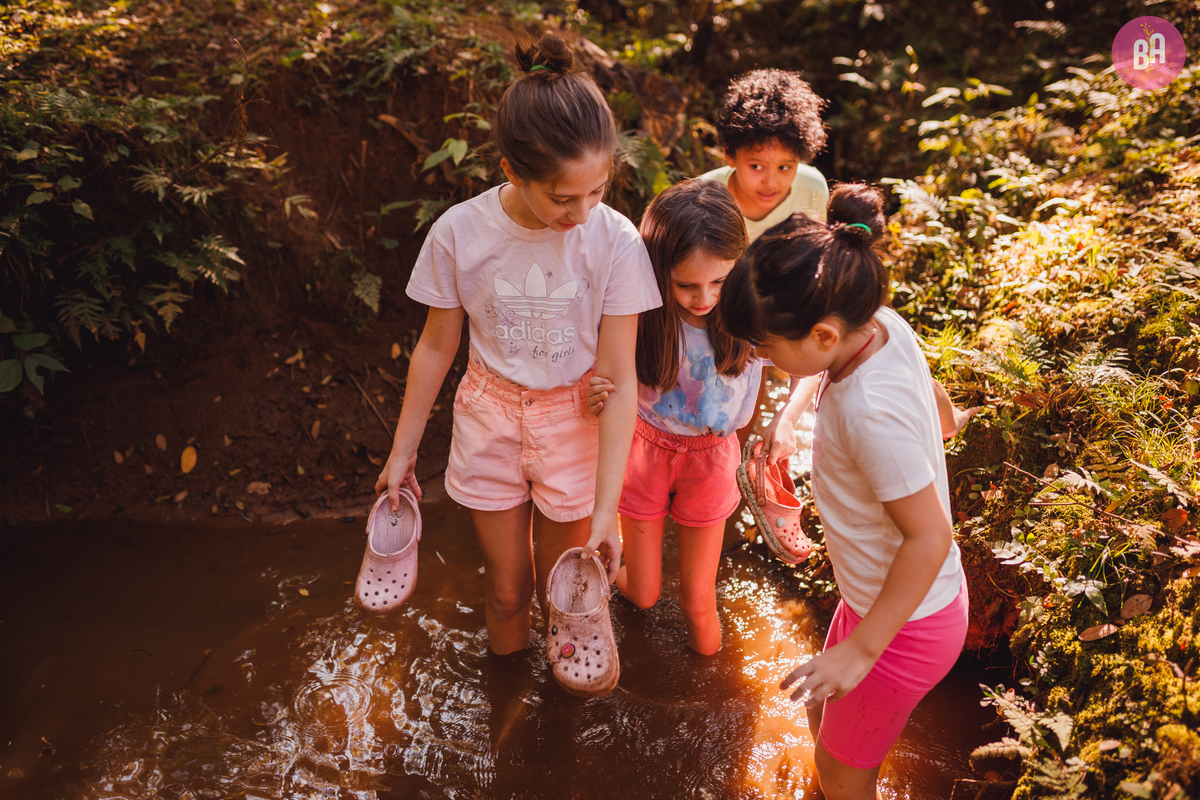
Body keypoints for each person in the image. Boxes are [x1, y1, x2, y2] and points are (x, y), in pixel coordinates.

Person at [375, 33, 660, 656]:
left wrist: (608, 511)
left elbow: (620, 378)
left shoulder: (614, 243)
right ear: (511, 170)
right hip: (490, 416)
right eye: (563, 198)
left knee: (570, 597)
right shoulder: (460, 233)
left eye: (598, 191)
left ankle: (557, 726)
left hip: (576, 421)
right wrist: (402, 454)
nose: (582, 213)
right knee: (508, 593)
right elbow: (434, 348)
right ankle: (509, 725)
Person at [720, 184, 969, 800]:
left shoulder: (866, 414)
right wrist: (949, 423)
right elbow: (935, 411)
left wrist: (860, 651)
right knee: (819, 719)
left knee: (840, 776)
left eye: (766, 347)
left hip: (906, 624)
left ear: (824, 336)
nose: (762, 358)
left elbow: (931, 535)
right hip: (880, 601)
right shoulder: (881, 324)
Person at [703, 69, 975, 463]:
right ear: (729, 156)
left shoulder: (811, 185)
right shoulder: (707, 196)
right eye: (756, 166)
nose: (771, 182)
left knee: (880, 347)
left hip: (795, 304)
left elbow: (825, 257)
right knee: (741, 398)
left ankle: (945, 420)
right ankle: (741, 468)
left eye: (786, 166)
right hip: (733, 309)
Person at [587, 178, 766, 655]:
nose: (704, 297)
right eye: (686, 285)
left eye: (719, 282)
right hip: (645, 448)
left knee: (698, 602)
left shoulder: (752, 318)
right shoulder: (639, 314)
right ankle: (597, 573)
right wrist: (594, 389)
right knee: (644, 594)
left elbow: (802, 365)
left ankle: (715, 683)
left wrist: (780, 427)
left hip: (711, 460)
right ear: (656, 272)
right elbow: (603, 372)